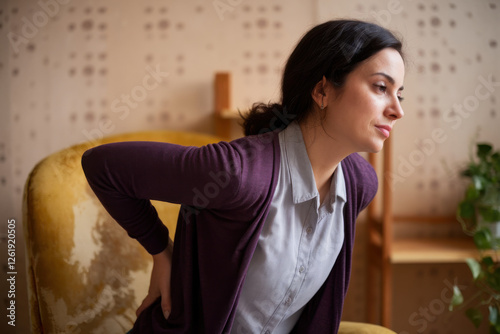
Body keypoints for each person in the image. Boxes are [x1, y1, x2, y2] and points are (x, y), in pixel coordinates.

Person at [82, 19, 405, 334]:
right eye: (381, 87)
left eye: (399, 94)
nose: (397, 110)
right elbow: (103, 166)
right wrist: (160, 250)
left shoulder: (360, 184)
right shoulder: (238, 173)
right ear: (322, 90)